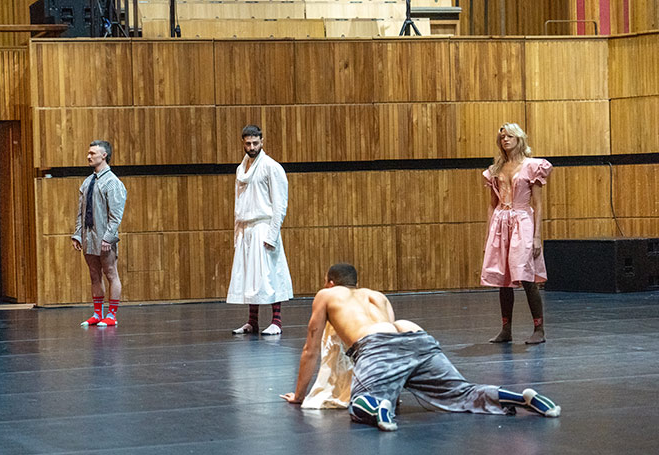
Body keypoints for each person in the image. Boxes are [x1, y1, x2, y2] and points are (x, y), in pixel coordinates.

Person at [281, 263, 561, 431]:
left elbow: (311, 348)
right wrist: (394, 387)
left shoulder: (327, 294)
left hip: (375, 343)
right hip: (414, 334)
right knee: (461, 393)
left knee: (358, 404)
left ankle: (379, 406)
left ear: (330, 282)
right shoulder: (376, 296)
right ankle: (519, 397)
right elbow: (396, 352)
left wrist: (299, 395)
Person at [481, 123, 553, 344]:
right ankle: (506, 329)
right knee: (503, 279)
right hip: (501, 223)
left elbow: (538, 205)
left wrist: (536, 236)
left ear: (519, 138)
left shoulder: (532, 166)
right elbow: (492, 205)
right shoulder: (496, 169)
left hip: (522, 221)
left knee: (526, 275)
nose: (505, 140)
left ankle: (539, 329)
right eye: (502, 137)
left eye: (510, 136)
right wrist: (488, 235)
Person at [227, 125, 293, 335]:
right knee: (250, 275)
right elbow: (239, 203)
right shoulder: (241, 168)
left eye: (255, 143)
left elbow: (279, 204)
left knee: (270, 273)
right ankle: (252, 321)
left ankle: (277, 321)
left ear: (262, 142)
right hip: (247, 228)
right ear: (243, 143)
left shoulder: (271, 167)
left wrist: (272, 234)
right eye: (248, 143)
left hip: (264, 225)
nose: (252, 147)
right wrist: (237, 232)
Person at [72, 140, 127, 327]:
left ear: (104, 155)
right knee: (94, 274)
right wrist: (78, 234)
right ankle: (97, 313)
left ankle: (111, 315)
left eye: (93, 153)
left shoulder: (112, 182)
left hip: (104, 236)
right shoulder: (87, 182)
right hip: (89, 235)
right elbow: (81, 211)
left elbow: (116, 214)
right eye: (88, 153)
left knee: (111, 273)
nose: (89, 156)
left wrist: (109, 237)